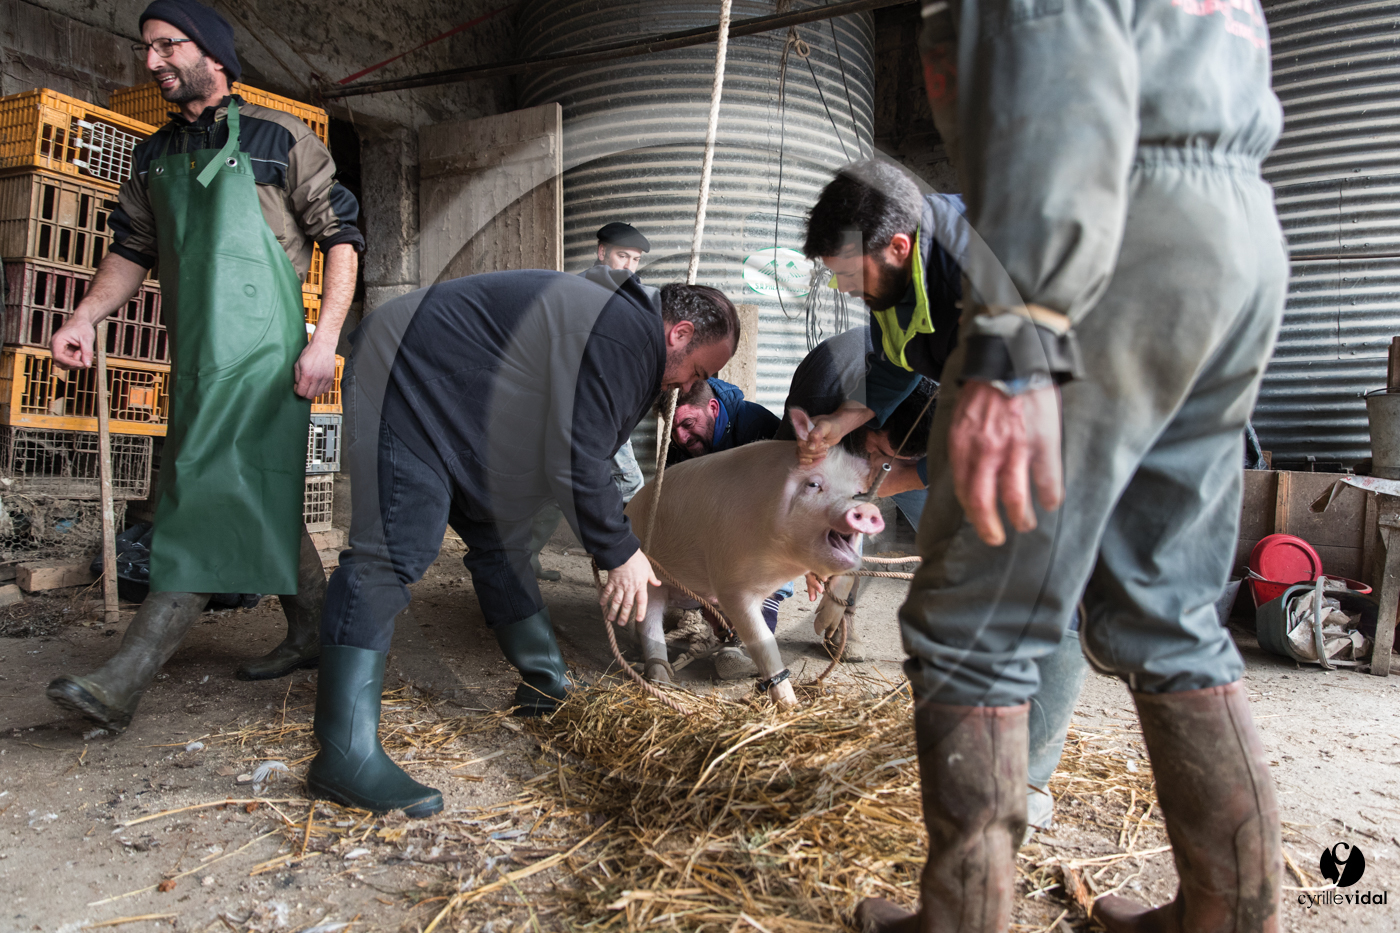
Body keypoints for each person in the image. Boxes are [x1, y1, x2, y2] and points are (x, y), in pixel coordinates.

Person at [852, 2, 1287, 931]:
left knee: (977, 608)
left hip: (1102, 224)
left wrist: (1023, 326)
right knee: (1168, 601)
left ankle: (962, 920)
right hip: (1235, 232)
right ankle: (1227, 915)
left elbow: (1055, 59)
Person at [308, 270, 737, 816]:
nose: (687, 387)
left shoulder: (625, 339)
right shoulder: (626, 333)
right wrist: (619, 551)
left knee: (501, 537)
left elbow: (584, 448)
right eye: (698, 370)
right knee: (393, 550)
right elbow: (577, 455)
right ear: (678, 333)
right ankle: (344, 754)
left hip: (458, 402)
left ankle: (545, 684)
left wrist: (619, 540)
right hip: (403, 376)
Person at [45, 0, 364, 733]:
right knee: (248, 492)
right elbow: (131, 251)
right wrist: (85, 316)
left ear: (213, 54)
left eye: (165, 47)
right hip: (196, 357)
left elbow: (341, 235)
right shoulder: (152, 155)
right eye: (145, 49)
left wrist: (326, 340)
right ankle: (316, 630)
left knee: (203, 497)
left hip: (266, 357)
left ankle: (122, 681)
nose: (150, 62)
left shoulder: (283, 139)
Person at [526, 223, 656, 582]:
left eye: (634, 259)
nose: (628, 265)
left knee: (555, 489)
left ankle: (525, 560)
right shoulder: (579, 290)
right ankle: (637, 566)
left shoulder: (635, 295)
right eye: (621, 256)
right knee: (631, 485)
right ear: (602, 253)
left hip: (603, 405)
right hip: (583, 405)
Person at [665, 377, 781, 465]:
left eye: (688, 423)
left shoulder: (759, 430)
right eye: (673, 430)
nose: (681, 439)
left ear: (713, 408)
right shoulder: (678, 445)